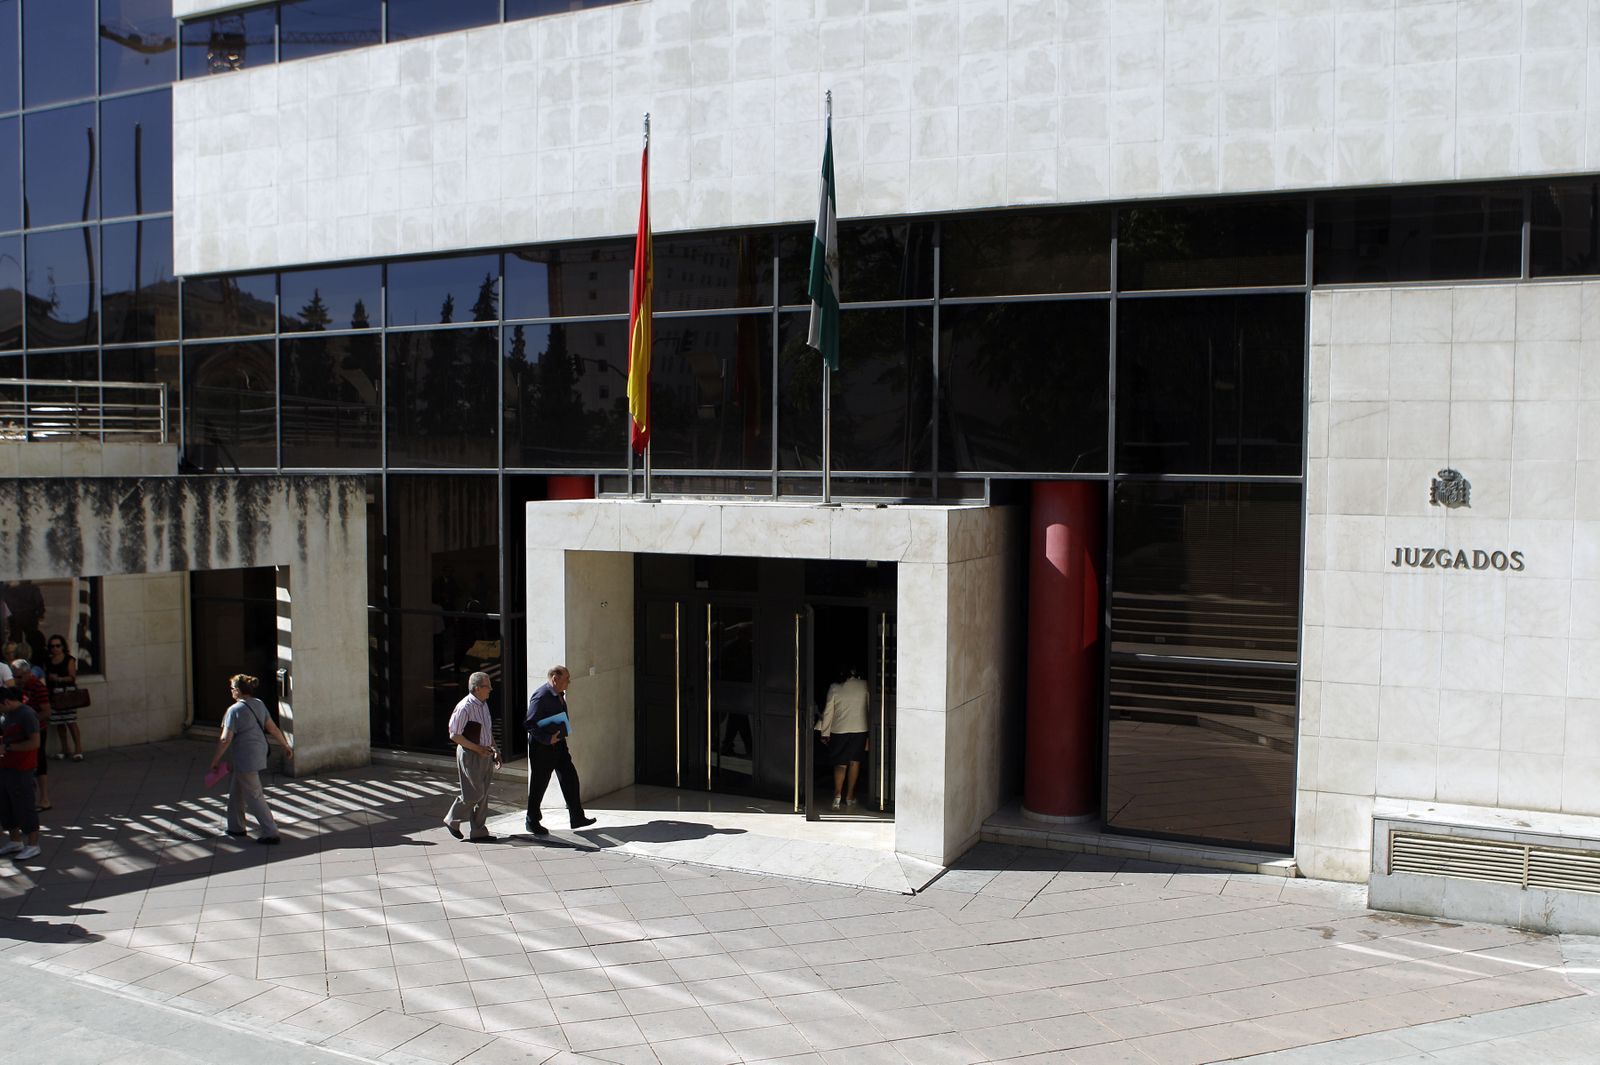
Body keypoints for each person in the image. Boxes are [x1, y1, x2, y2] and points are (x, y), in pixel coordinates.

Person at [208, 674, 293, 844]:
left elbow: (225, 739)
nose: (231, 692)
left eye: (232, 689)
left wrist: (215, 761)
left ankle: (270, 831)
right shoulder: (259, 704)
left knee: (254, 795)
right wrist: (285, 745)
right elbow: (273, 728)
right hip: (258, 752)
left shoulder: (234, 710)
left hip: (245, 757)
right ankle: (236, 826)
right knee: (236, 791)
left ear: (238, 691)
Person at [524, 665, 595, 836]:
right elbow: (530, 723)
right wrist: (548, 739)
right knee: (539, 784)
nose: (568, 683)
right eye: (566, 680)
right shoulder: (541, 696)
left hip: (559, 745)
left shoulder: (558, 694)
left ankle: (577, 816)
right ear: (555, 679)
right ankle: (532, 820)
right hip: (543, 747)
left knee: (570, 777)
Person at [445, 671, 500, 841]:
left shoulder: (483, 705)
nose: (490, 689)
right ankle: (452, 818)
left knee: (483, 794)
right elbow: (454, 735)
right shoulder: (464, 707)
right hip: (470, 754)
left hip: (485, 753)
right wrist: (477, 748)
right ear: (477, 688)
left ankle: (479, 831)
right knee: (474, 793)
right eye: (487, 686)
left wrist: (496, 749)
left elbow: (487, 731)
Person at [817, 667, 870, 810]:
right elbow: (870, 708)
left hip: (839, 729)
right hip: (860, 728)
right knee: (855, 762)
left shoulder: (835, 687)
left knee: (840, 764)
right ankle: (850, 796)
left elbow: (828, 711)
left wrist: (825, 732)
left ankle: (837, 795)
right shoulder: (865, 685)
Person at [0, 686, 41, 862]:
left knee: (24, 805)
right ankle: (15, 841)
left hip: (22, 768)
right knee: (6, 805)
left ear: (6, 702)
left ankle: (33, 845)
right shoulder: (7, 715)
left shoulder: (26, 714)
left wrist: (8, 747)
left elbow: (35, 743)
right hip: (6, 767)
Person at [9, 660, 50, 812]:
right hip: (22, 731)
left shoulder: (37, 686)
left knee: (39, 763)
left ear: (27, 673)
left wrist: (29, 722)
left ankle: (44, 798)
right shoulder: (18, 688)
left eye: (19, 677)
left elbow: (46, 711)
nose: (16, 680)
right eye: (14, 676)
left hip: (37, 730)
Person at [43, 634, 83, 761]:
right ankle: (65, 748)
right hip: (54, 694)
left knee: (71, 721)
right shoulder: (48, 661)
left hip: (67, 694)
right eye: (52, 646)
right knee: (59, 723)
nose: (55, 648)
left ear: (62, 646)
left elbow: (72, 677)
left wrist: (58, 679)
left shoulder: (69, 659)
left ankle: (78, 749)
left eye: (58, 646)